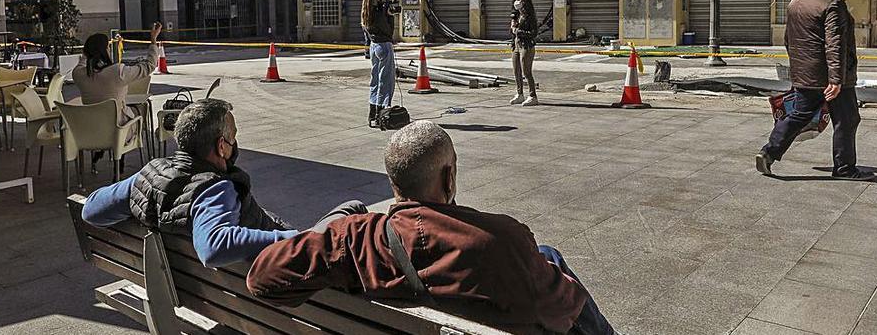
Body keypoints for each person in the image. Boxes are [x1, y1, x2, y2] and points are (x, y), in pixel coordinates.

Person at [246, 121, 615, 335]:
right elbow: (563, 311)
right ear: (449, 176)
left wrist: (335, 225)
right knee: (548, 258)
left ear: (393, 181)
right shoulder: (501, 241)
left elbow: (261, 277)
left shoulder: (354, 240)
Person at [81, 98, 366, 267]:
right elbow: (214, 246)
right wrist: (298, 238)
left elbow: (90, 210)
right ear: (220, 147)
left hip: (205, 285)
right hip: (276, 276)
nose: (235, 145)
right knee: (353, 207)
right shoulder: (214, 190)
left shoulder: (150, 174)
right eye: (232, 138)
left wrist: (141, 189)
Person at [756, 0, 871, 180]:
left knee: (799, 115)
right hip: (832, 76)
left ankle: (769, 152)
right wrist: (836, 80)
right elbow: (834, 43)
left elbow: (789, 40)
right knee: (847, 120)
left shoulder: (796, 1)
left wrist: (799, 71)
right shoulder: (832, 3)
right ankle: (845, 169)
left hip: (805, 74)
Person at [73, 23, 161, 125]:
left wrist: (90, 49)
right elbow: (149, 66)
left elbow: (83, 61)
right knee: (142, 110)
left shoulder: (78, 74)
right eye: (108, 47)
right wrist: (153, 40)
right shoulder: (117, 72)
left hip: (93, 130)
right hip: (119, 131)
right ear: (105, 50)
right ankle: (138, 139)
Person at [361, 0, 399, 128]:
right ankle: (382, 113)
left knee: (375, 80)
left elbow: (366, 34)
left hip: (373, 46)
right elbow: (388, 32)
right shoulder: (378, 13)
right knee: (386, 81)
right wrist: (389, 16)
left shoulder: (366, 11)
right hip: (384, 46)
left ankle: (372, 113)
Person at [509, 0, 540, 107]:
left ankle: (533, 96)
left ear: (524, 2)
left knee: (526, 71)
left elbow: (533, 33)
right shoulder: (516, 15)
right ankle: (519, 94)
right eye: (516, 0)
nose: (516, 2)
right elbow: (512, 31)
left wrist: (517, 31)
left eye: (519, 0)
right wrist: (513, 26)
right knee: (516, 71)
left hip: (526, 46)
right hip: (516, 45)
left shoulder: (530, 17)